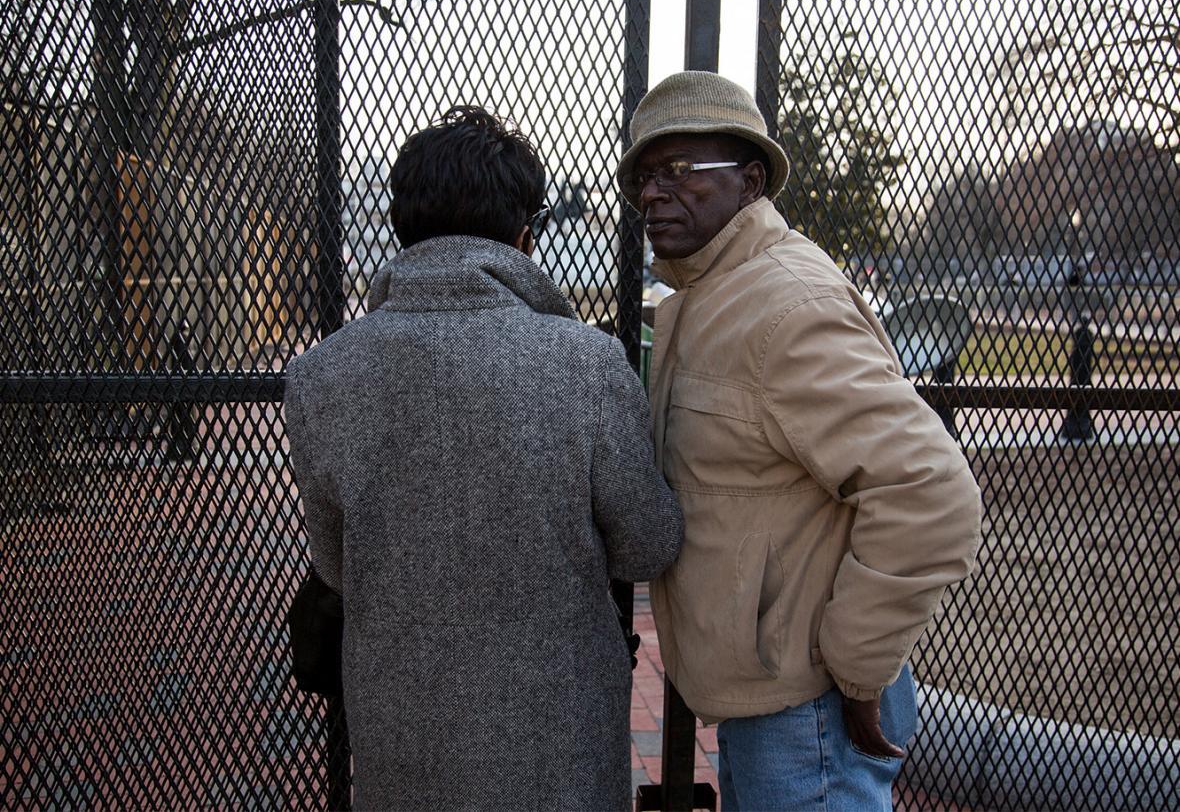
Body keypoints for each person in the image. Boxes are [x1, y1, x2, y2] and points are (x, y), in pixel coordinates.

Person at [285, 106, 684, 810]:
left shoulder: (322, 375)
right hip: (556, 737)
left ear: (402, 226)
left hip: (402, 730)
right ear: (523, 234)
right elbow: (648, 546)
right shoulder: (586, 364)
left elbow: (335, 564)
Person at [617, 71, 982, 811]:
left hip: (809, 713)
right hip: (781, 705)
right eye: (645, 179)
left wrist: (852, 666)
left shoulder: (783, 304)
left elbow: (932, 495)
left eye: (682, 172)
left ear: (750, 182)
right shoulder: (713, 295)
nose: (656, 194)